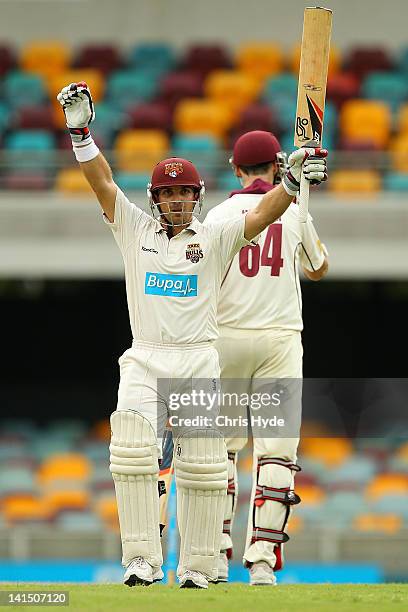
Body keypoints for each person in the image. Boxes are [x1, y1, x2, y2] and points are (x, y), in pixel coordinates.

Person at [57, 84, 328, 589]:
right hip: (145, 359)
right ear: (155, 198)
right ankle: (141, 561)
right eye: (167, 193)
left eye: (183, 193)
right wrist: (80, 134)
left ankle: (200, 569)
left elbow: (263, 215)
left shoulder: (216, 234)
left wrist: (290, 186)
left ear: (197, 197)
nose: (176, 201)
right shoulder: (134, 230)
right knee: (134, 454)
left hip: (201, 360)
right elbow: (102, 183)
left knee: (204, 467)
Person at [204, 130, 328, 585]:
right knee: (276, 454)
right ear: (277, 167)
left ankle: (214, 555)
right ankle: (261, 561)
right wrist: (304, 209)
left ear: (235, 168)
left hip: (225, 339)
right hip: (279, 338)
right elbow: (318, 269)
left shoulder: (216, 215)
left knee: (219, 451)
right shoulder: (294, 210)